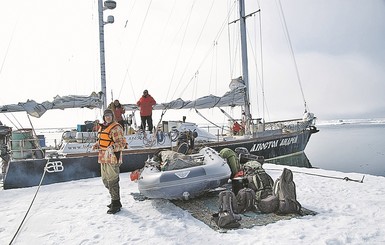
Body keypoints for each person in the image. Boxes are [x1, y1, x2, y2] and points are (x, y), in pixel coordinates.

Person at [92, 109, 126, 214]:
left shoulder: (116, 128)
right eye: (106, 115)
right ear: (104, 117)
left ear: (112, 116)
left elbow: (122, 143)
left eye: (110, 115)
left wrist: (112, 147)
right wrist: (97, 144)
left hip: (112, 157)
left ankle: (115, 203)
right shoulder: (103, 127)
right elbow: (101, 139)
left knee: (112, 180)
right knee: (105, 180)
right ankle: (115, 199)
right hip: (103, 156)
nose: (108, 117)